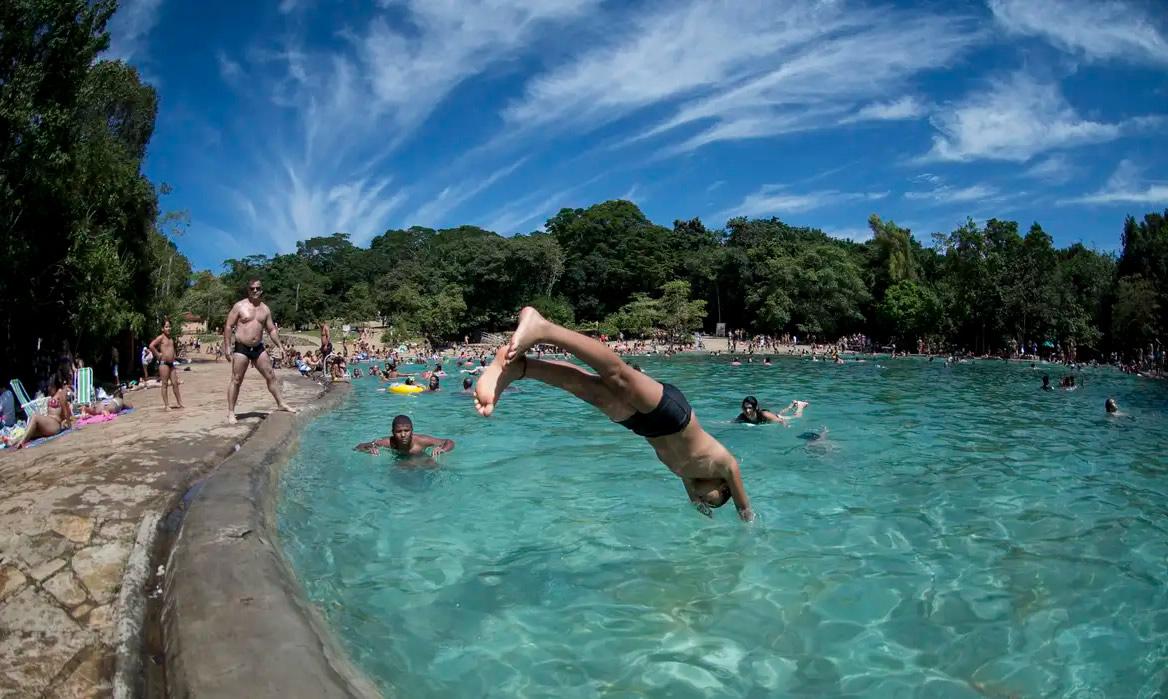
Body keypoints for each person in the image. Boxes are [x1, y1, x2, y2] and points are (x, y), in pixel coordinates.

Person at [475, 307, 754, 521]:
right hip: (673, 415)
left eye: (708, 503)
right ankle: (542, 328)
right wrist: (746, 517)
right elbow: (741, 497)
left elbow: (696, 500)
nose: (707, 501)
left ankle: (520, 369)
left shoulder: (686, 475)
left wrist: (701, 511)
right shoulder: (723, 465)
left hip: (645, 427)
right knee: (617, 376)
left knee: (587, 390)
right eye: (716, 499)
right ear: (724, 486)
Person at [223, 279, 297, 423]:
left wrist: (280, 346)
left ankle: (281, 403)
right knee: (236, 380)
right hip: (241, 348)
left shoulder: (265, 309)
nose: (255, 291)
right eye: (252, 288)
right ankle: (231, 412)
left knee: (271, 375)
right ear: (248, 290)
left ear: (261, 290)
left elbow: (271, 329)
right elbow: (228, 326)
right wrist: (227, 346)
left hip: (258, 348)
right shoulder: (239, 306)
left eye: (257, 288)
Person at [353, 414, 455, 457]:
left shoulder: (421, 440)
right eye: (398, 431)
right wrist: (368, 450)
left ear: (412, 430)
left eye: (406, 431)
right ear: (393, 432)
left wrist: (443, 449)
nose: (403, 434)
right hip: (399, 461)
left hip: (421, 458)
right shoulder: (388, 442)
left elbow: (449, 441)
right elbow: (358, 446)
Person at [16, 376, 72, 448]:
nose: (48, 389)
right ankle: (14, 442)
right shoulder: (52, 395)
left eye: (49, 387)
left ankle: (21, 443)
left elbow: (65, 409)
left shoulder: (61, 392)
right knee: (30, 433)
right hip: (48, 424)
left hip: (54, 424)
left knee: (35, 417)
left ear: (54, 386)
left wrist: (68, 424)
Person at [148, 318, 184, 410]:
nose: (168, 328)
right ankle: (166, 405)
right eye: (166, 327)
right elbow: (151, 346)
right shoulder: (161, 337)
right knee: (164, 384)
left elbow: (172, 349)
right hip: (164, 364)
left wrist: (174, 355)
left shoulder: (171, 338)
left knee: (175, 383)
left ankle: (180, 402)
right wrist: (157, 354)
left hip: (171, 364)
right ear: (162, 329)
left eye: (169, 327)